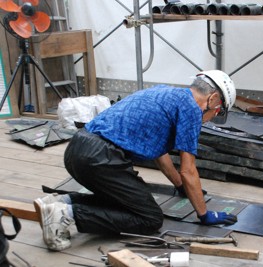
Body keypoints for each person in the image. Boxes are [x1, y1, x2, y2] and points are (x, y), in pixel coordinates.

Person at [34, 70, 238, 251]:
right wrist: (204, 214)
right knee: (149, 218)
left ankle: (60, 202)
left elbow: (160, 154)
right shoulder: (192, 109)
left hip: (78, 150)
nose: (214, 116)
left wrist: (179, 186)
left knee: (126, 201)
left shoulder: (165, 93)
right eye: (219, 111)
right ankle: (66, 214)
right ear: (212, 99)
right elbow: (188, 170)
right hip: (101, 158)